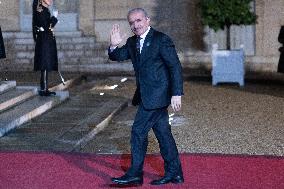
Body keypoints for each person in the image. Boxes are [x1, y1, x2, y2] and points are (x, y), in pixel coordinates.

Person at [109, 8, 184, 186]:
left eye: (139, 21)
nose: (136, 25)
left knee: (138, 131)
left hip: (158, 96)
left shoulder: (161, 39)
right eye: (132, 23)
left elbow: (175, 67)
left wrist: (177, 93)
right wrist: (113, 45)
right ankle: (175, 173)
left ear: (147, 20)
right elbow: (117, 56)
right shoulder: (132, 42)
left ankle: (135, 174)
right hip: (146, 95)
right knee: (163, 134)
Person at [32, 0, 58, 96]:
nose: (50, 0)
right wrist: (54, 18)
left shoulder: (45, 10)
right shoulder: (40, 10)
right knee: (45, 64)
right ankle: (43, 89)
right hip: (44, 41)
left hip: (47, 41)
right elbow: (47, 27)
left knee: (47, 65)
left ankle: (45, 88)